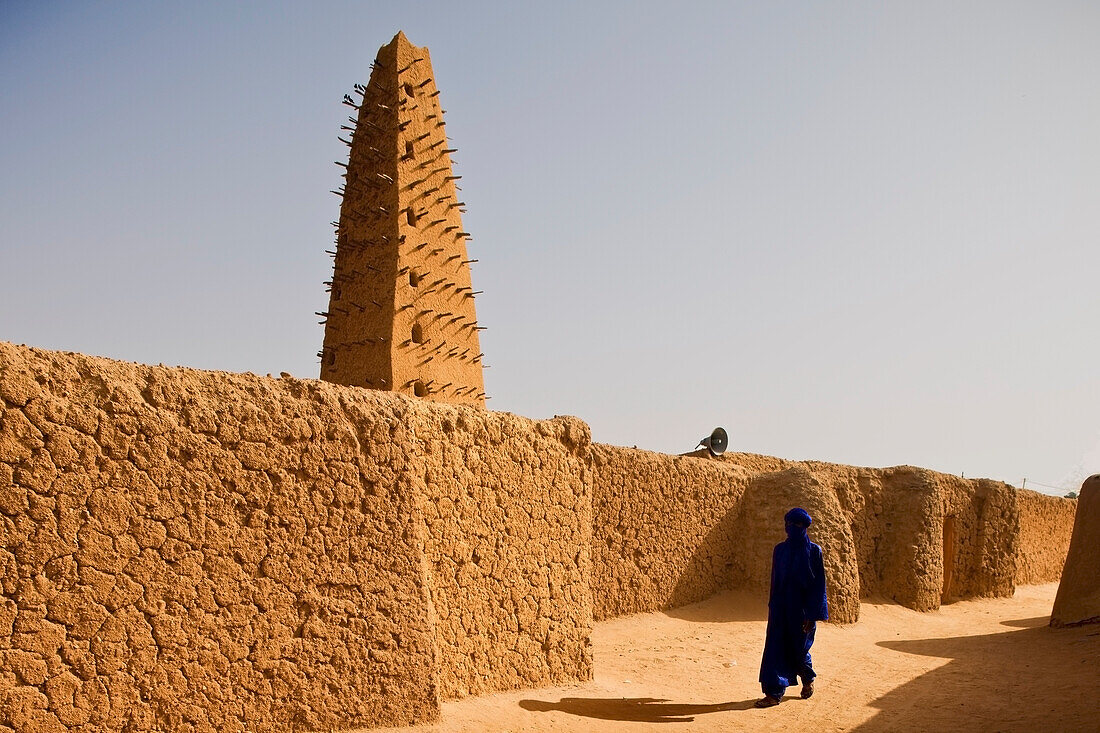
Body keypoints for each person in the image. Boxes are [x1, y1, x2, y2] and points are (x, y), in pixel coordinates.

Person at [755, 507, 828, 708]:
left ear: (804, 527)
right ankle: (773, 693)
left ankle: (808, 678)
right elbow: (775, 581)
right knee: (775, 649)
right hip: (780, 608)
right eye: (788, 525)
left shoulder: (814, 552)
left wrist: (812, 615)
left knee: (799, 650)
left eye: (796, 525)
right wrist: (773, 606)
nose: (791, 528)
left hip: (802, 611)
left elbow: (818, 585)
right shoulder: (780, 550)